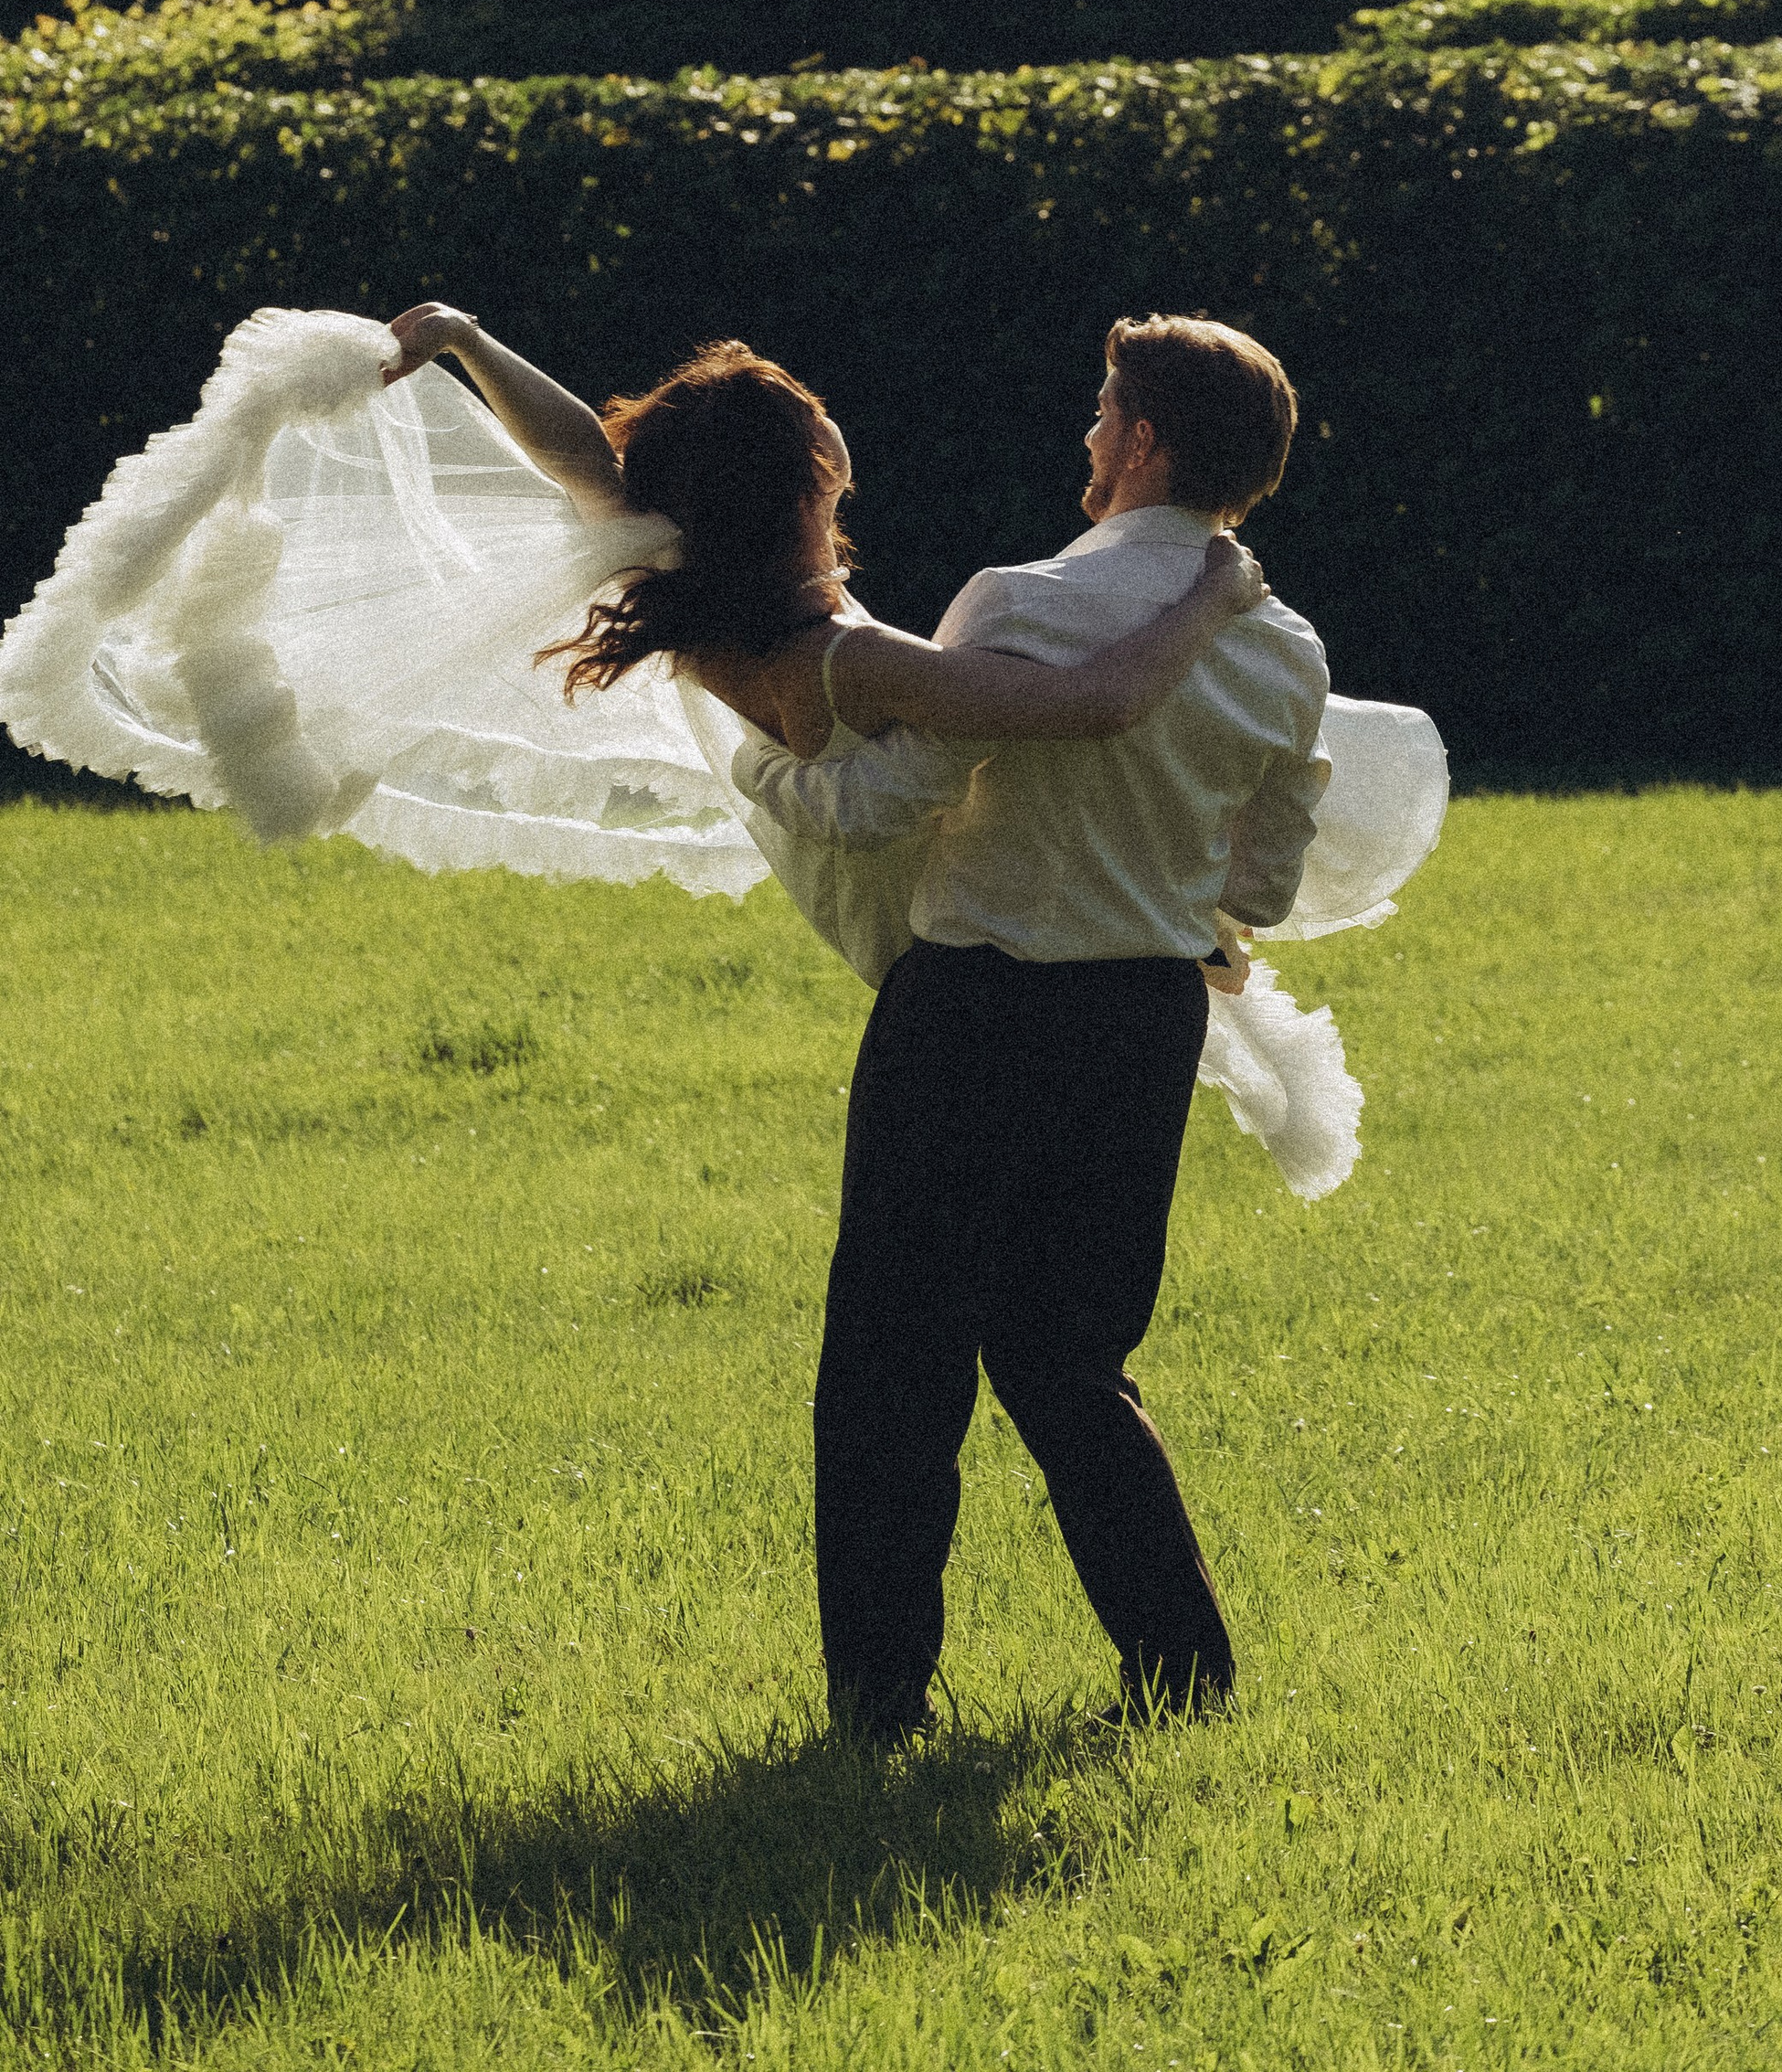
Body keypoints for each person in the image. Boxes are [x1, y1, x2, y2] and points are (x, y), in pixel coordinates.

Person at [730, 311, 1331, 1744]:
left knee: (894, 1364)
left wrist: (747, 751)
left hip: (974, 1016)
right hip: (1141, 1025)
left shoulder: (1019, 602)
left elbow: (879, 804)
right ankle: (1183, 1670)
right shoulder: (1288, 646)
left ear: (1142, 442)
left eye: (1100, 409)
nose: (1084, 435)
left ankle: (881, 1706)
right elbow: (1267, 880)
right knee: (1073, 1361)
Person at [378, 303, 1271, 789]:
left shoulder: (688, 579)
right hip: (954, 969)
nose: (829, 412)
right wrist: (1213, 593)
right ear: (807, 471)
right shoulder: (852, 663)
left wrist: (464, 336)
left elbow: (581, 456)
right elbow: (1100, 704)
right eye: (814, 412)